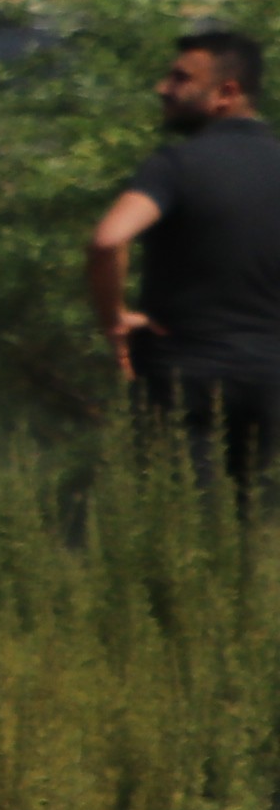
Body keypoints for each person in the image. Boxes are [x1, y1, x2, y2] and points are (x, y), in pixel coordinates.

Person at [94, 23, 280, 474]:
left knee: (180, 523)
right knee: (253, 523)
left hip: (185, 373)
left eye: (181, 79)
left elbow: (108, 240)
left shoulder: (175, 166)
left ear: (226, 92)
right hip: (271, 377)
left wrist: (114, 320)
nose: (164, 89)